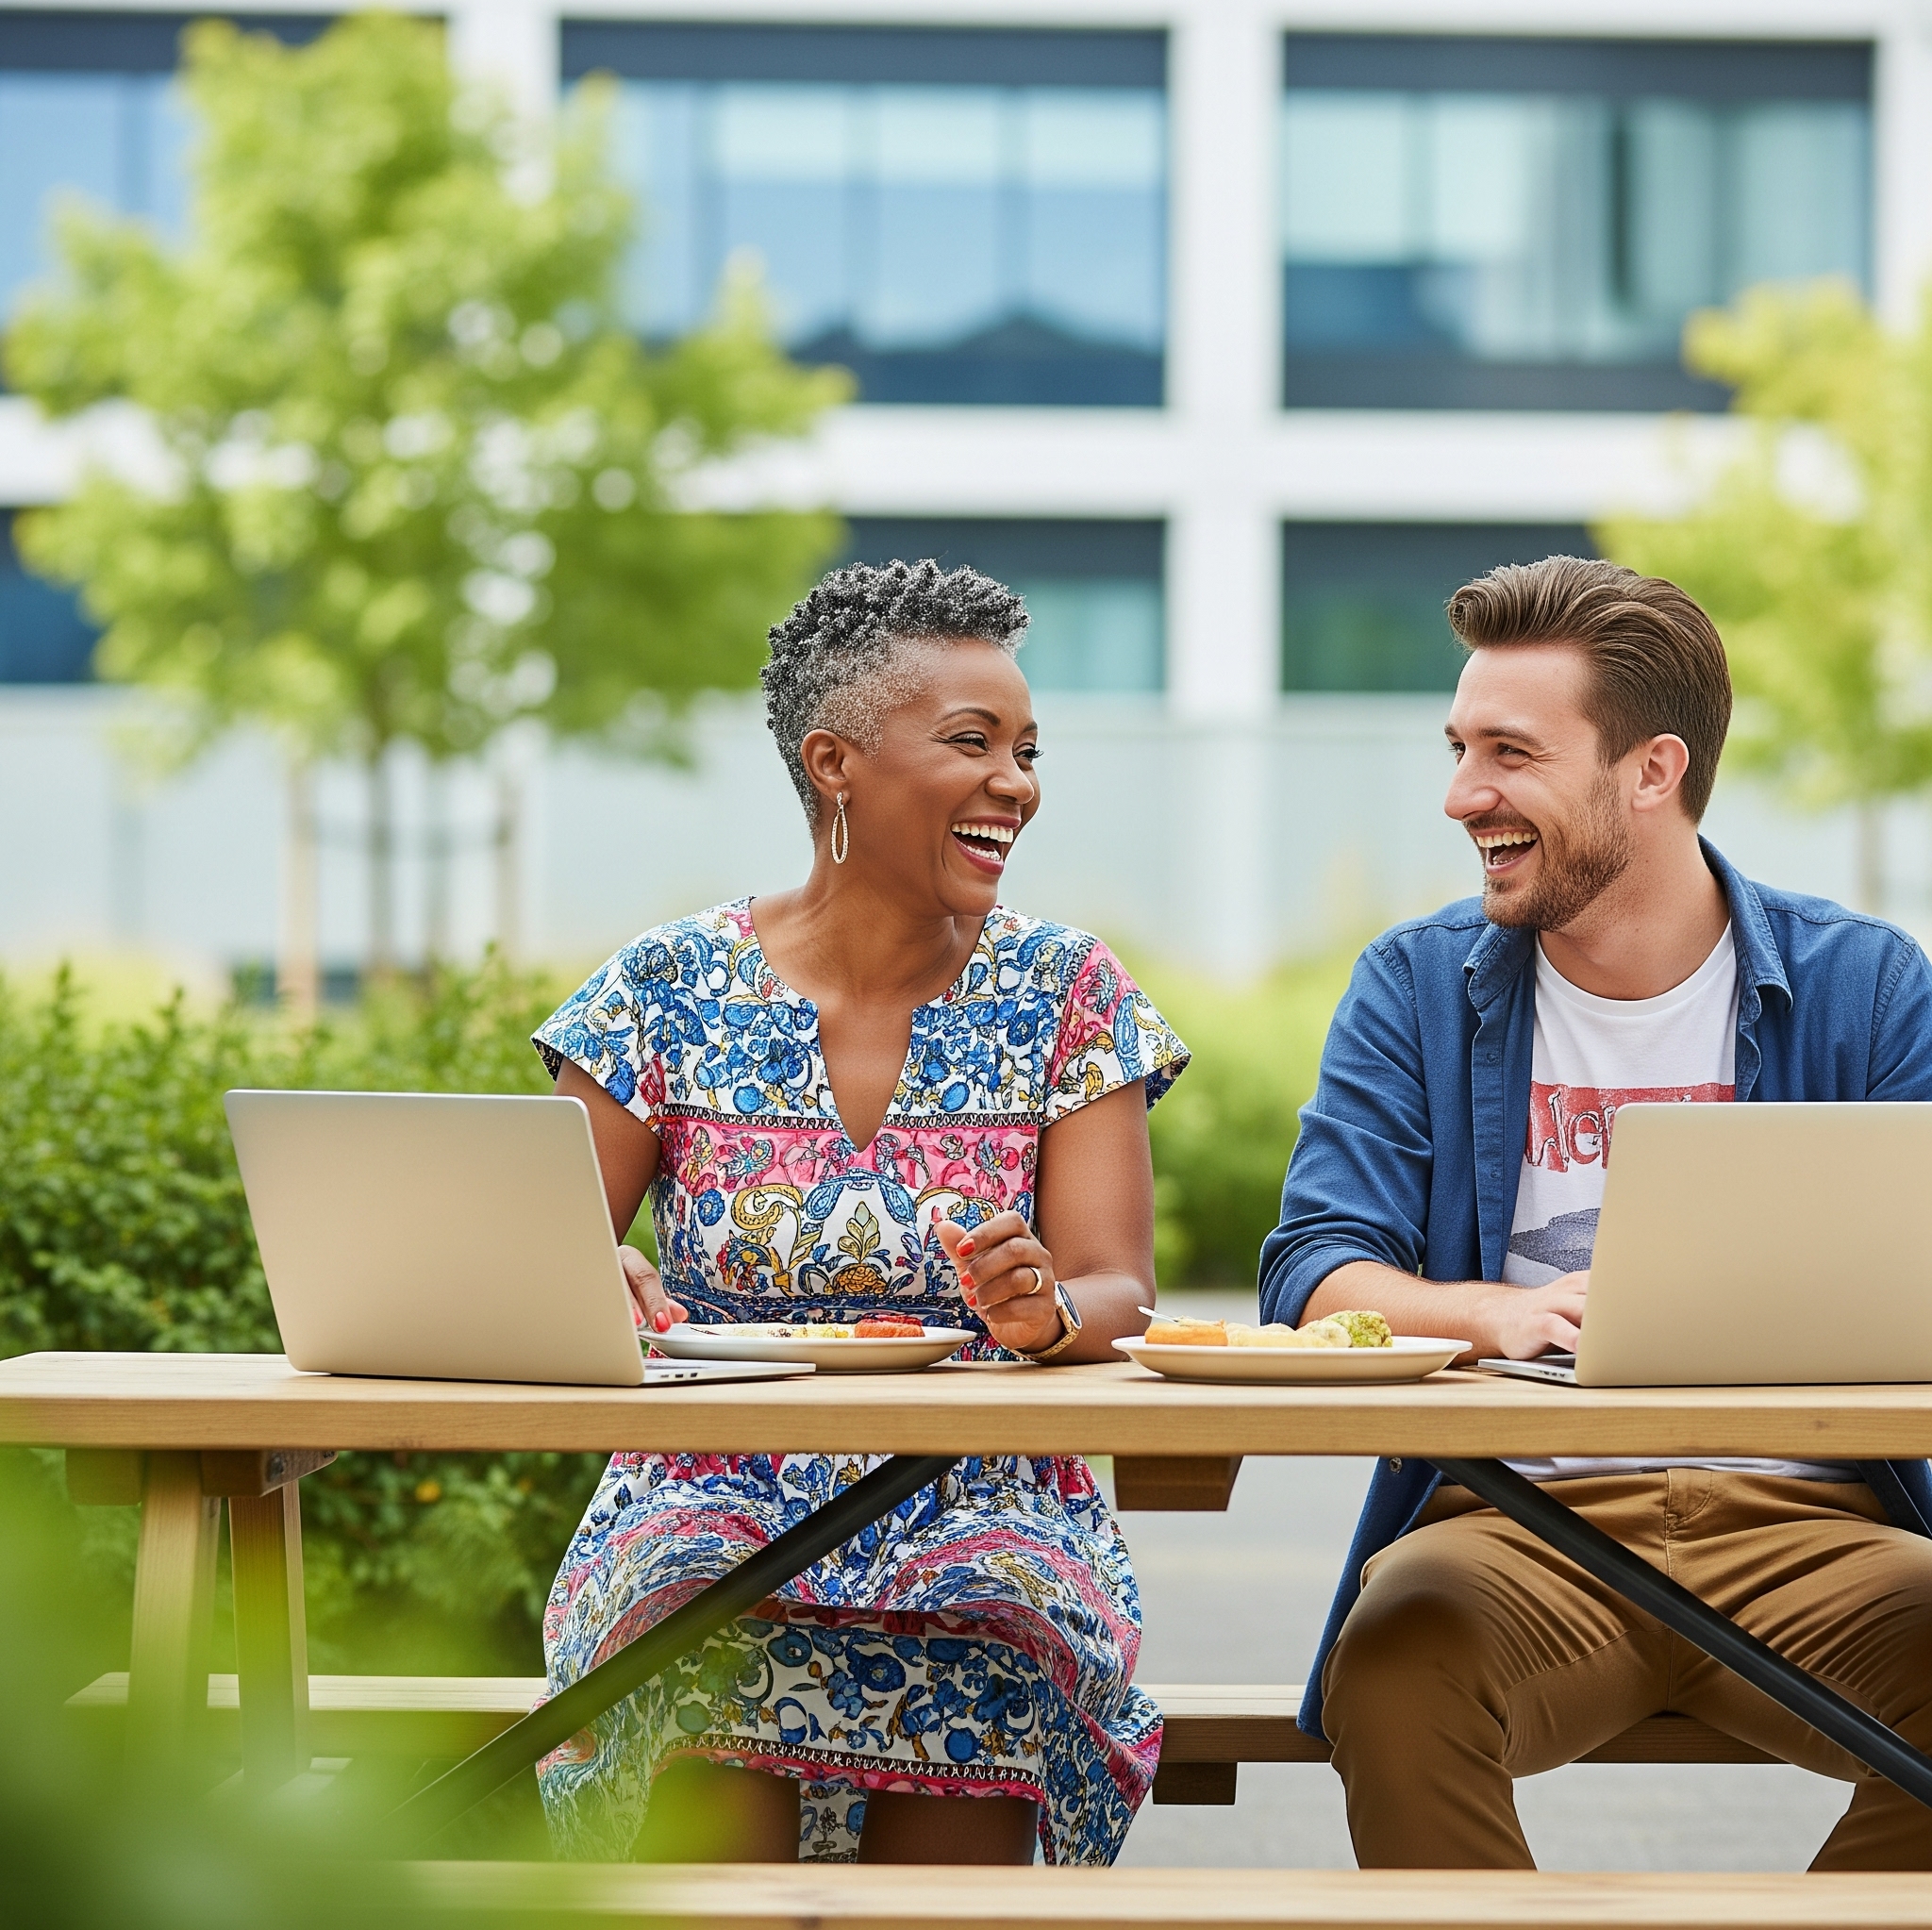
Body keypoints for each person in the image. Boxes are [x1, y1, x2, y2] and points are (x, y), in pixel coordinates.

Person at [1260, 554, 1932, 1871]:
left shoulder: (1868, 988)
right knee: (1393, 1662)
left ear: (1652, 770)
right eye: (1460, 749)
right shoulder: (1415, 988)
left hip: (1816, 1532)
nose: (1463, 796)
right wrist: (1492, 1312)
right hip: (1515, 1531)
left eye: (1510, 753)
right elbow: (1314, 1272)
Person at [529, 558, 1188, 1867]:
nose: (1018, 781)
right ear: (835, 762)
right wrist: (589, 1274)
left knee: (999, 1613)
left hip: (983, 1489)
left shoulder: (1070, 989)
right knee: (679, 1612)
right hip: (705, 1487)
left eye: (1027, 749)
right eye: (972, 742)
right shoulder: (663, 988)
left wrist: (1047, 1311)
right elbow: (547, 1253)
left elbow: (1122, 1291)